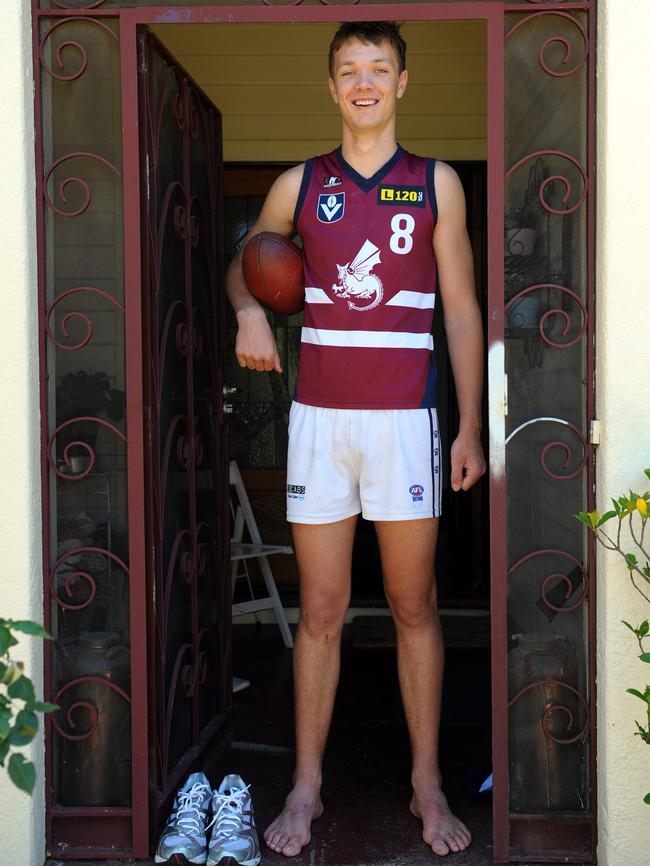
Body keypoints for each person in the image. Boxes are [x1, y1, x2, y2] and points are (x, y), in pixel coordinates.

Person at [225, 21, 486, 858]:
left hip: (407, 423)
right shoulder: (302, 183)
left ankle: (425, 784)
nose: (365, 82)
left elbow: (461, 309)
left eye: (379, 68)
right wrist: (249, 310)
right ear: (332, 87)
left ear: (402, 82)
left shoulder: (436, 182)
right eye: (349, 70)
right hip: (320, 423)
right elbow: (245, 260)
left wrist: (470, 425)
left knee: (414, 607)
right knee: (324, 612)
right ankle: (305, 788)